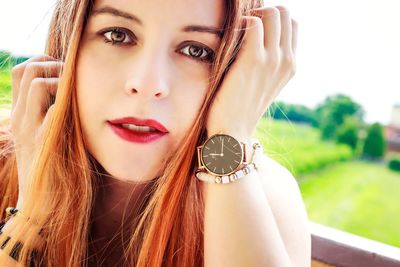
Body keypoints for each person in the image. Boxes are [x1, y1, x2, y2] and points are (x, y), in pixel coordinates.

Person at [0, 0, 311, 266]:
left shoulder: (261, 194)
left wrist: (228, 138)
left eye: (197, 51)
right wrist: (36, 210)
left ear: (237, 68)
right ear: (67, 43)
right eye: (117, 34)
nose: (148, 84)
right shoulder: (4, 155)